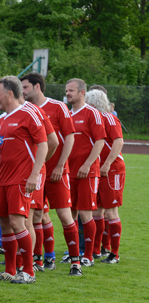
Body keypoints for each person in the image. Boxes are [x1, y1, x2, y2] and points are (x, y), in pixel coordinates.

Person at [20, 72, 82, 275]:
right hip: (35, 173)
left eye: (26, 87)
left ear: (37, 87)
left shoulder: (58, 107)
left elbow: (69, 138)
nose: (23, 91)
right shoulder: (24, 109)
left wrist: (59, 165)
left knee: (64, 215)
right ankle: (42, 259)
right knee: (37, 215)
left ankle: (76, 262)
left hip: (56, 172)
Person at [0, 76, 48, 284]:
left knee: (17, 222)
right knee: (4, 223)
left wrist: (34, 174)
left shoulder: (29, 113)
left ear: (10, 94)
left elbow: (44, 145)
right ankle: (10, 270)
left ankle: (29, 271)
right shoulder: (3, 119)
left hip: (21, 178)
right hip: (3, 177)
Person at [65, 78, 106, 267]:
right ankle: (73, 252)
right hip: (67, 172)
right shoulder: (66, 114)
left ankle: (88, 255)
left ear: (82, 93)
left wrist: (87, 165)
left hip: (87, 173)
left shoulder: (93, 114)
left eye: (71, 91)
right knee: (69, 214)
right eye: (67, 91)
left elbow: (99, 141)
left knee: (85, 214)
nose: (68, 94)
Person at [85, 90, 125, 264]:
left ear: (93, 103)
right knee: (97, 210)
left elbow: (119, 141)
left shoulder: (108, 117)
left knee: (111, 211)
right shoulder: (94, 118)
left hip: (112, 169)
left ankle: (114, 254)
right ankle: (97, 249)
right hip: (97, 169)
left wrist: (107, 164)